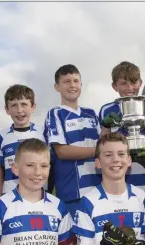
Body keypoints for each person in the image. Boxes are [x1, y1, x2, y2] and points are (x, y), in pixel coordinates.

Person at [99, 61, 145, 199]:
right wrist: (105, 127)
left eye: (134, 82)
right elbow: (101, 145)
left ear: (140, 82)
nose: (130, 88)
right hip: (120, 177)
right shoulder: (106, 110)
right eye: (123, 83)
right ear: (114, 86)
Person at [44, 64, 101, 219]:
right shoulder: (55, 114)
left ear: (81, 84)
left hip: (98, 189)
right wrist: (100, 152)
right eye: (67, 81)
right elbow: (62, 152)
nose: (72, 85)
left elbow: (104, 142)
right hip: (72, 191)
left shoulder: (91, 113)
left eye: (76, 81)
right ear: (57, 87)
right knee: (75, 240)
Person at [0, 84, 46, 194]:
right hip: (9, 197)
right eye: (14, 105)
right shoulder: (1, 136)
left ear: (33, 107)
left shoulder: (43, 133)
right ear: (7, 109)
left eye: (24, 104)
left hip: (38, 196)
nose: (19, 110)